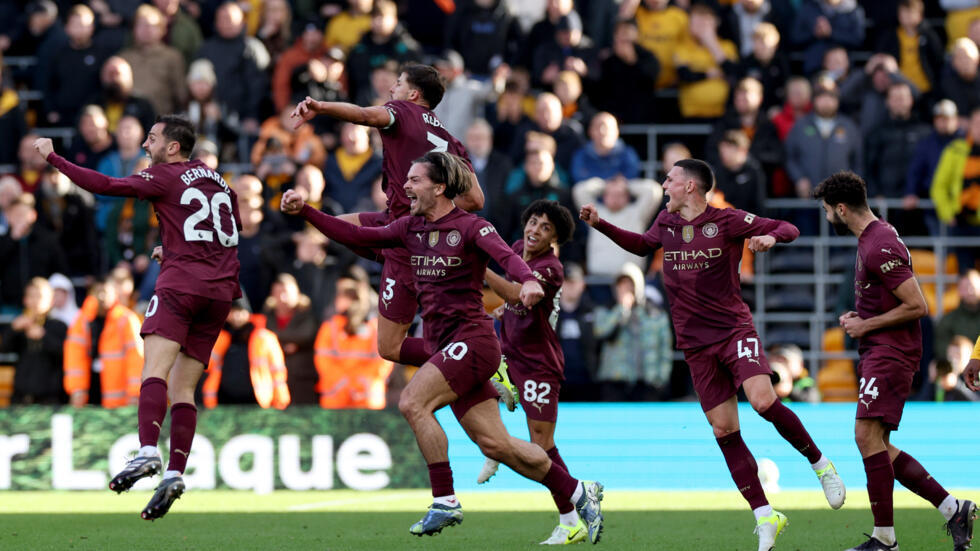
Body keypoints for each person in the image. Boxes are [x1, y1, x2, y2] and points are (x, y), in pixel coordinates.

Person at [280, 151, 604, 544]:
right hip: (445, 346)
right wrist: (307, 214)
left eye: (415, 180)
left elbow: (507, 257)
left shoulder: (471, 227)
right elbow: (357, 235)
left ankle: (445, 498)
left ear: (438, 187)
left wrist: (529, 281)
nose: (406, 186)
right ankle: (576, 491)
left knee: (412, 402)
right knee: (497, 445)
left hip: (471, 340)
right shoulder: (409, 227)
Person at [580, 158, 845, 551]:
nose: (664, 185)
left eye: (669, 179)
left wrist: (771, 238)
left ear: (690, 186)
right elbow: (641, 245)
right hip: (695, 344)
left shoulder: (727, 220)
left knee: (762, 401)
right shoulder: (666, 224)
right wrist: (600, 223)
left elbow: (788, 227)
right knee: (724, 430)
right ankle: (765, 515)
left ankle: (821, 465)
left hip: (733, 330)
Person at [33, 114, 242, 521]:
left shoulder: (164, 175)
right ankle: (176, 472)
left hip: (181, 287)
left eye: (151, 139)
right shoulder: (222, 184)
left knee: (154, 372)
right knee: (184, 391)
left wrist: (53, 158)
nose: (145, 146)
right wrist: (175, 247)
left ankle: (147, 452)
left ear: (173, 148)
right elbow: (220, 236)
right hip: (219, 294)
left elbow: (106, 186)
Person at [813, 170, 976, 551]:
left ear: (841, 208)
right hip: (879, 350)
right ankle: (954, 509)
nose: (825, 218)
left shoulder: (879, 243)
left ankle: (886, 539)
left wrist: (867, 324)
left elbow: (918, 305)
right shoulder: (871, 239)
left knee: (864, 436)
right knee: (877, 446)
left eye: (826, 211)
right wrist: (860, 318)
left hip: (891, 353)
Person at [290, 63, 484, 367]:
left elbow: (366, 116)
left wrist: (321, 107)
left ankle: (471, 356)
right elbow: (475, 199)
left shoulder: (403, 111)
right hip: (401, 226)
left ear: (414, 94)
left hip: (406, 239)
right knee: (336, 228)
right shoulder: (452, 141)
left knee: (390, 347)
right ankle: (467, 352)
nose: (392, 88)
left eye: (398, 83)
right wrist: (435, 220)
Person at [475, 200, 592, 544]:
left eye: (545, 228)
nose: (535, 231)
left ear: (555, 239)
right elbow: (511, 301)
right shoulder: (515, 250)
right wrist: (502, 311)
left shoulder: (551, 268)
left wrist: (480, 269)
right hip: (510, 353)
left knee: (542, 447)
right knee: (469, 375)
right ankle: (493, 447)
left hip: (539, 364)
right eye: (534, 222)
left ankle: (572, 516)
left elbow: (519, 294)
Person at [63, 277, 143, 409]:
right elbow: (74, 355)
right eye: (97, 292)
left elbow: (136, 357)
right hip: (91, 384)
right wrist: (76, 389)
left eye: (105, 292)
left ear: (114, 293)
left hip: (117, 391)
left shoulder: (125, 319)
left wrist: (135, 391)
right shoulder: (82, 320)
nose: (101, 296)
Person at [201, 296, 290, 409]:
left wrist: (280, 398)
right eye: (232, 312)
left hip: (256, 400)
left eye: (240, 311)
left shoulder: (264, 337)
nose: (236, 317)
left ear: (248, 313)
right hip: (224, 401)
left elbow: (278, 370)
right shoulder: (220, 338)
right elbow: (207, 367)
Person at [4, 277, 68, 405]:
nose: (34, 301)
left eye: (39, 296)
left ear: (51, 301)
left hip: (49, 399)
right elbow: (4, 348)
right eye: (31, 296)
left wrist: (43, 336)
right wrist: (13, 329)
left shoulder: (59, 326)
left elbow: (66, 354)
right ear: (25, 300)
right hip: (21, 397)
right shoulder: (20, 326)